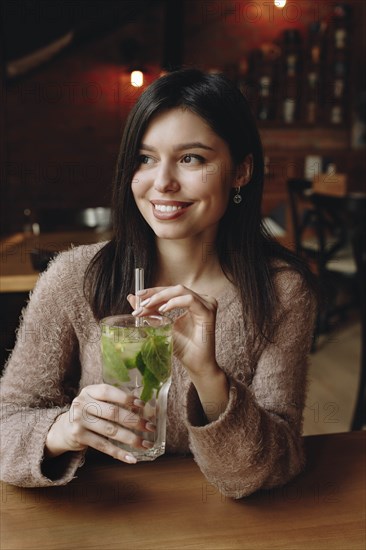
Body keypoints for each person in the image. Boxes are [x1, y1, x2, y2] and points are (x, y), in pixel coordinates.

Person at [0, 68, 317, 498]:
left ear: (241, 171)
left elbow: (269, 467)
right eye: (145, 158)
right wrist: (64, 428)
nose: (162, 182)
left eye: (192, 158)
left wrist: (209, 376)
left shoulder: (282, 291)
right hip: (97, 515)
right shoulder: (74, 278)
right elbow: (7, 422)